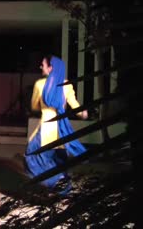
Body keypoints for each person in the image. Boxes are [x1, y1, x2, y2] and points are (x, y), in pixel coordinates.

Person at [24, 55, 88, 195]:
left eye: (43, 64)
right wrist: (83, 113)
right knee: (59, 161)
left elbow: (34, 107)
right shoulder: (67, 85)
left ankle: (53, 181)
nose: (41, 67)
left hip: (47, 128)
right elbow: (75, 106)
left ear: (51, 68)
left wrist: (41, 106)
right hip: (62, 130)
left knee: (31, 155)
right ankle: (61, 188)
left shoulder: (40, 84)